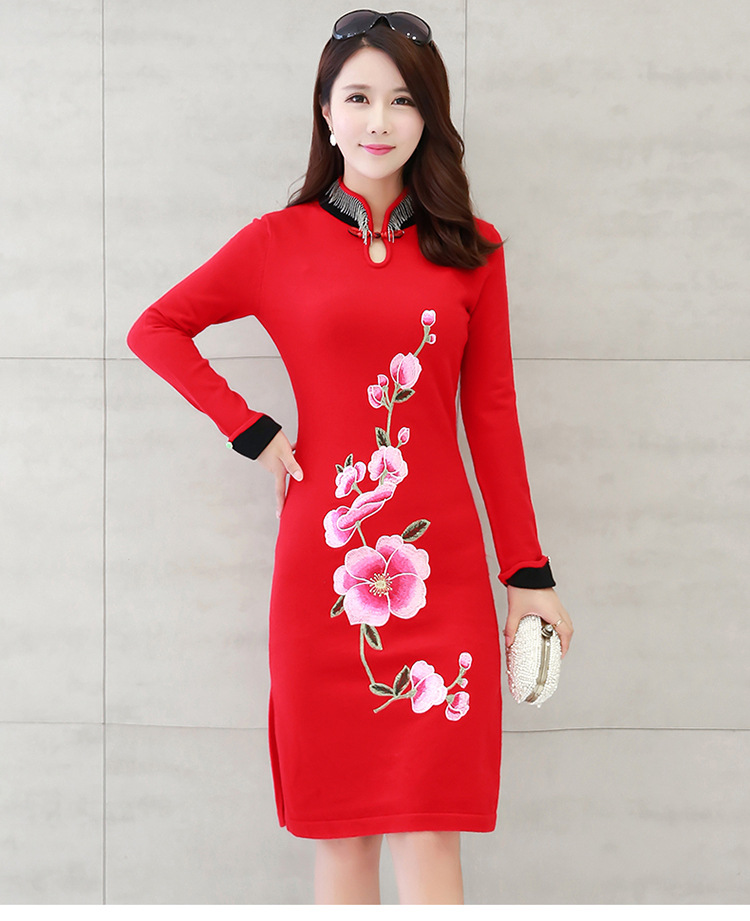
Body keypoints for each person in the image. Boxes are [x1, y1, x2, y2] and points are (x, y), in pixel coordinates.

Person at [127, 8, 573, 905]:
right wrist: (250, 427)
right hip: (324, 576)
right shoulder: (275, 241)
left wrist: (527, 572)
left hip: (441, 577)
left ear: (429, 117)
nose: (379, 120)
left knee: (432, 832)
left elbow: (492, 416)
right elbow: (157, 328)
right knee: (341, 836)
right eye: (359, 97)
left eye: (403, 100)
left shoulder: (473, 249)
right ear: (326, 113)